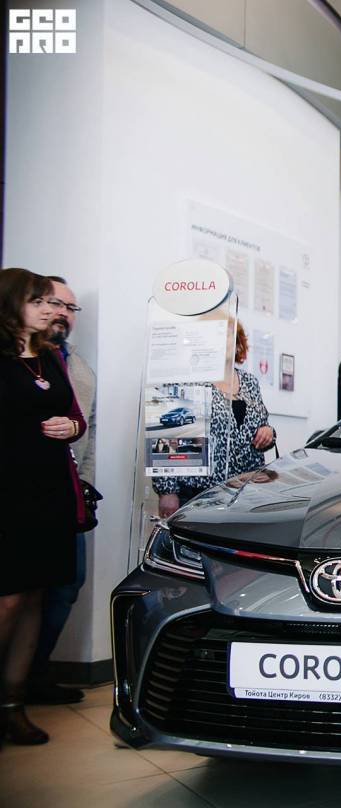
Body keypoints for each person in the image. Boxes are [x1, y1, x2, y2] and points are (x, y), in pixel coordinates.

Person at [0, 267, 88, 745]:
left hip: (50, 491)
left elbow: (75, 417)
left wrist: (71, 428)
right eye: (39, 301)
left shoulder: (50, 357)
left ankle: (13, 704)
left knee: (35, 595)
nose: (51, 310)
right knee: (9, 597)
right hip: (8, 492)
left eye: (52, 302)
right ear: (11, 303)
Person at [28, 276, 96, 705]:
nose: (62, 313)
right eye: (54, 303)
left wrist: (84, 482)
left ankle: (32, 675)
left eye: (70, 308)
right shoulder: (21, 361)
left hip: (67, 496)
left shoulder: (79, 368)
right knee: (22, 593)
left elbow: (88, 428)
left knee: (67, 584)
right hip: (25, 495)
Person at [154, 322, 276, 517]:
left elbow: (262, 425)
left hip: (245, 492)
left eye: (226, 334)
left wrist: (268, 432)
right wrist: (167, 491)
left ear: (237, 343)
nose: (220, 340)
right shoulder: (186, 378)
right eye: (214, 334)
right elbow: (166, 436)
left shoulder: (250, 382)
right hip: (198, 495)